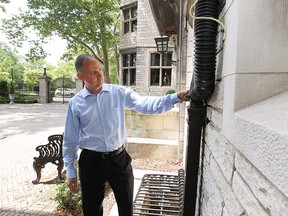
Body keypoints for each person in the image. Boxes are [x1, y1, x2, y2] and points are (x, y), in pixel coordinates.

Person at [63, 54, 190, 216]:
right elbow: (70, 140)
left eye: (100, 70)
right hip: (91, 162)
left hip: (118, 159)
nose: (100, 75)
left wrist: (174, 98)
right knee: (91, 210)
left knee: (126, 208)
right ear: (81, 76)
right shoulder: (76, 103)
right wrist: (71, 172)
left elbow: (145, 104)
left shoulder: (118, 92)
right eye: (93, 73)